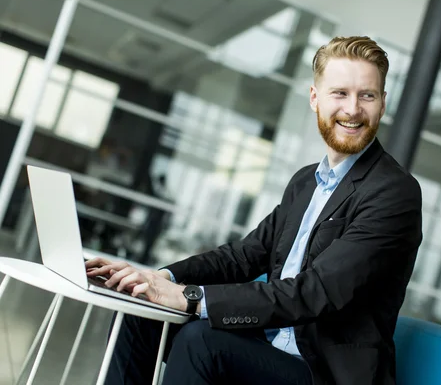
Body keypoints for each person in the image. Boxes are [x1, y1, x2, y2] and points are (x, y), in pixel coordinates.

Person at [85, 36, 423, 385]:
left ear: (382, 104)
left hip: (322, 372)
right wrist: (158, 279)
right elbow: (243, 257)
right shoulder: (306, 182)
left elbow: (314, 292)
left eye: (366, 95)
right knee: (142, 313)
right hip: (269, 346)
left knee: (202, 342)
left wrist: (191, 298)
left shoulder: (394, 193)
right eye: (340, 93)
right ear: (314, 98)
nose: (352, 109)